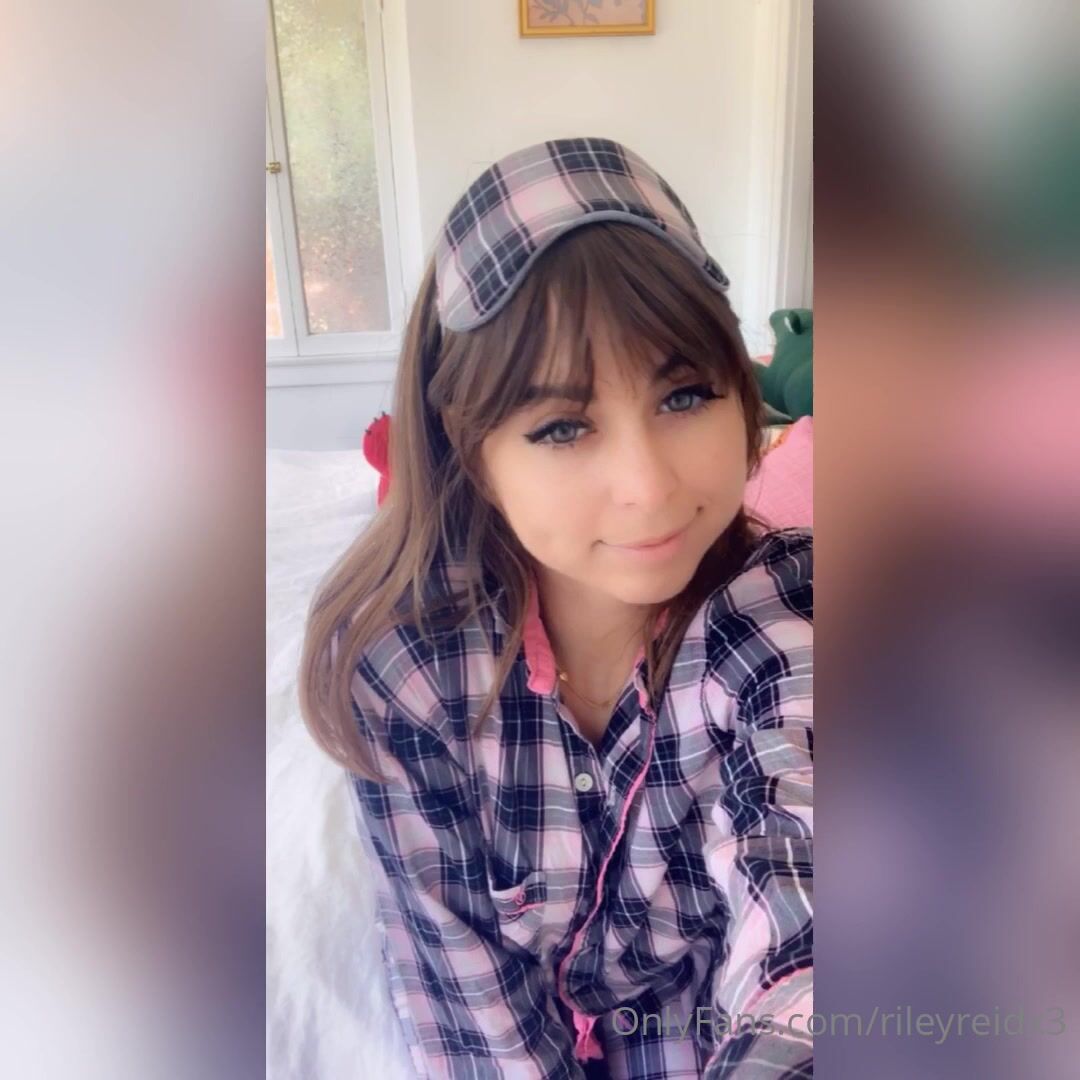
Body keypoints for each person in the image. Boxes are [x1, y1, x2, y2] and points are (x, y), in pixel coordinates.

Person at [300, 137, 813, 1079]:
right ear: (470, 450)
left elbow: (807, 909)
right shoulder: (408, 669)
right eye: (563, 426)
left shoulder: (784, 618)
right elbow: (466, 998)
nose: (647, 487)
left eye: (684, 395)